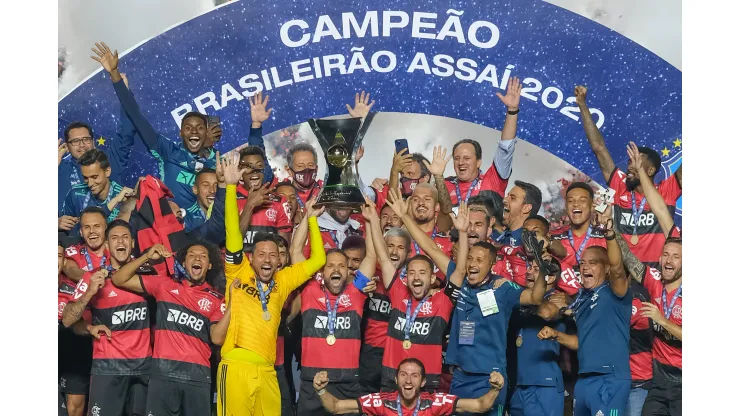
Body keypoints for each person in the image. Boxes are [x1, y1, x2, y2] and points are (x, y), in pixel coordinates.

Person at [216, 151, 327, 416]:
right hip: (236, 366)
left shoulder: (284, 279)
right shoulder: (238, 271)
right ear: (251, 258)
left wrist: (311, 219)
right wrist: (231, 188)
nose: (267, 259)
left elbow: (319, 258)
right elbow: (232, 232)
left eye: (273, 255)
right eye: (261, 255)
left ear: (280, 260)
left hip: (267, 370)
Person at [92, 42, 226, 209]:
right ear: (180, 133)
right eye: (188, 128)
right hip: (171, 228)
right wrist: (114, 74)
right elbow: (136, 116)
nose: (193, 131)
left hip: (208, 229)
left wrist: (206, 152)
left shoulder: (220, 161)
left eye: (199, 128)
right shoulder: (168, 151)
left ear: (206, 133)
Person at [445, 225, 548, 416]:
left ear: (491, 265)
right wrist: (403, 216)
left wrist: (541, 268)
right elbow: (432, 250)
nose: (472, 264)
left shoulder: (502, 288)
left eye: (479, 260)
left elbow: (535, 298)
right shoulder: (459, 280)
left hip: (491, 378)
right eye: (469, 258)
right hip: (460, 377)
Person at [366, 198, 467, 393]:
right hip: (391, 378)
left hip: (426, 382)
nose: (416, 277)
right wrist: (372, 220)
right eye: (411, 273)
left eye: (422, 273)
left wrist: (462, 233)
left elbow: (460, 271)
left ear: (432, 278)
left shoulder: (442, 301)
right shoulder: (398, 292)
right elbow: (384, 257)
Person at [538, 207, 632, 416]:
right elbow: (581, 342)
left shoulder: (615, 291)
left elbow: (617, 267)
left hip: (611, 379)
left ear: (605, 268)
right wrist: (556, 335)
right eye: (582, 263)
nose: (585, 267)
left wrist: (609, 234)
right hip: (584, 380)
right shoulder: (581, 299)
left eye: (593, 263)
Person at [575, 86, 682, 267]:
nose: (630, 166)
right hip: (621, 271)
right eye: (630, 161)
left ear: (650, 171)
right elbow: (599, 148)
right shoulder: (619, 183)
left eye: (637, 161)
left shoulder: (667, 189)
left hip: (657, 274)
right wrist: (582, 105)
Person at [62, 220, 152, 416]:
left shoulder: (147, 275)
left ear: (133, 243)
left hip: (143, 369)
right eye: (114, 238)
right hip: (107, 369)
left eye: (125, 237)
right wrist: (89, 294)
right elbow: (67, 320)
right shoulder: (91, 277)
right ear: (107, 246)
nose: (120, 241)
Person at [296, 234, 377, 415]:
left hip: (347, 384)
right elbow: (295, 251)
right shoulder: (310, 291)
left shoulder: (356, 292)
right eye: (330, 265)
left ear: (348, 271)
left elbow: (371, 256)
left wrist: (371, 220)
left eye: (342, 265)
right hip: (311, 381)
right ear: (322, 271)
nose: (336, 269)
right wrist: (309, 216)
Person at [616, 235, 682, 416]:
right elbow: (628, 258)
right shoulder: (655, 281)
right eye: (666, 255)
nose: (669, 261)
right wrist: (610, 228)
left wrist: (662, 320)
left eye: (676, 257)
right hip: (659, 380)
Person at [58, 73, 136, 216]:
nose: (82, 145)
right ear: (67, 147)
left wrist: (124, 93)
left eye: (86, 139)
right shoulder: (60, 169)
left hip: (117, 231)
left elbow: (127, 131)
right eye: (75, 141)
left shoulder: (109, 160)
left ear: (93, 141)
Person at [313, 358, 505, 415]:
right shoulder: (380, 402)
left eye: (414, 376)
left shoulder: (435, 402)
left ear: (422, 382)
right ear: (396, 379)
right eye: (403, 375)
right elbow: (336, 407)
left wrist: (495, 388)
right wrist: (321, 389)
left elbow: (481, 405)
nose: (408, 381)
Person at [444, 77, 522, 209]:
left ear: (479, 161)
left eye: (467, 158)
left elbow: (506, 147)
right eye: (457, 158)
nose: (461, 162)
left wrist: (512, 111)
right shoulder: (445, 184)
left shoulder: (492, 180)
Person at [509, 257, 569, 416]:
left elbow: (547, 313)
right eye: (529, 267)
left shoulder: (557, 299)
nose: (528, 271)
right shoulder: (522, 301)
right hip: (520, 385)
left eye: (537, 269)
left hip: (544, 385)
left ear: (550, 277)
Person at [358, 224, 412, 394]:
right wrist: (364, 289)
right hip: (371, 353)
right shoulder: (371, 274)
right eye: (390, 246)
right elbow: (348, 288)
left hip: (401, 353)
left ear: (409, 253)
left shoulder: (415, 281)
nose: (395, 252)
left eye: (401, 247)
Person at [58, 242, 95, 416]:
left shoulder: (75, 289)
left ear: (64, 262)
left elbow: (78, 323)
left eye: (58, 256)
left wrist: (89, 329)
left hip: (70, 350)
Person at [61, 149, 134, 235]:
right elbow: (64, 233)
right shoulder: (75, 194)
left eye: (94, 177)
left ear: (107, 172)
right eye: (85, 178)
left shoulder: (124, 197)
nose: (90, 184)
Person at [550, 182, 607, 293]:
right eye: (571, 201)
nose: (576, 204)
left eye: (582, 200)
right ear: (566, 206)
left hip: (597, 301)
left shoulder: (605, 237)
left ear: (591, 206)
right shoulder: (553, 237)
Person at [235, 145, 292, 251]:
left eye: (259, 166)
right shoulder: (229, 198)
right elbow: (232, 242)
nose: (254, 171)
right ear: (239, 170)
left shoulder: (279, 202)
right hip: (237, 265)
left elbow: (283, 249)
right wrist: (250, 205)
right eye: (248, 167)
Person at [493, 180, 543, 287]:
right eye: (507, 196)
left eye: (513, 197)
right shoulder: (498, 237)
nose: (505, 200)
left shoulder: (532, 241)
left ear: (526, 208)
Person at [63, 207, 111, 282]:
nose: (92, 231)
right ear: (81, 232)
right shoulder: (74, 252)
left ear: (105, 228)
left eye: (97, 226)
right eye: (87, 227)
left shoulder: (115, 251)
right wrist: (96, 279)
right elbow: (71, 271)